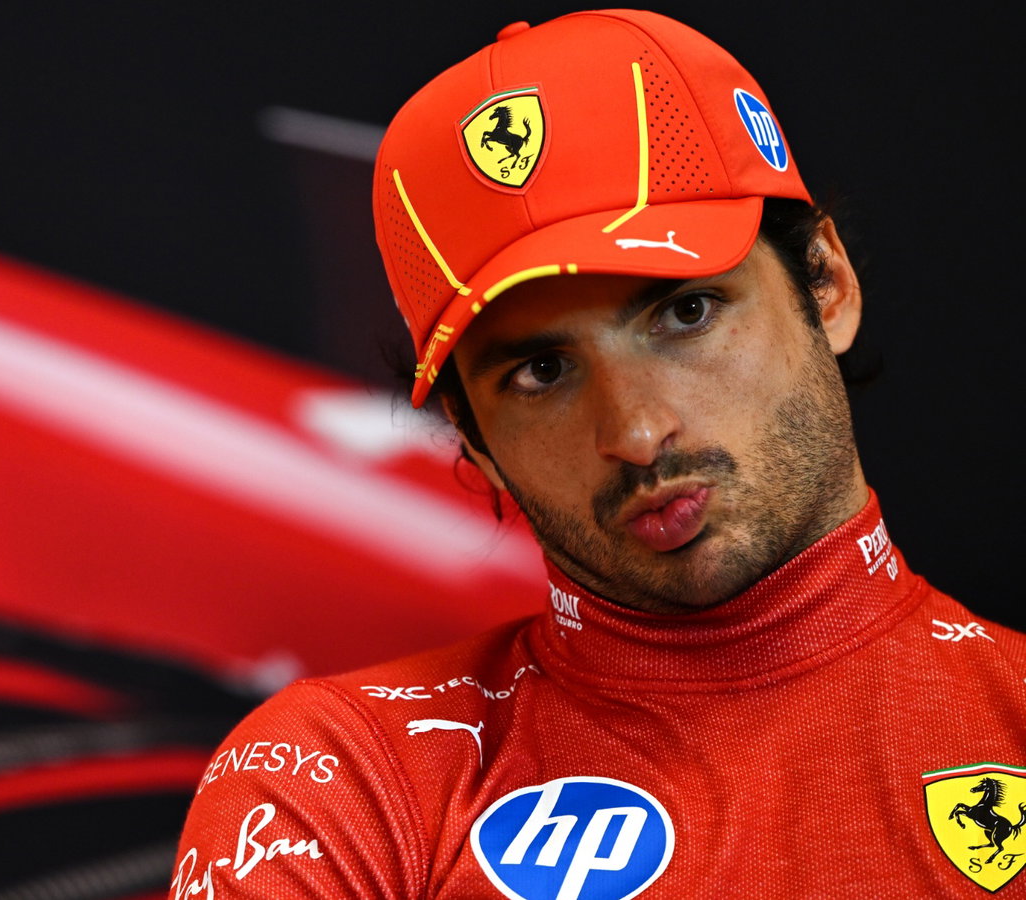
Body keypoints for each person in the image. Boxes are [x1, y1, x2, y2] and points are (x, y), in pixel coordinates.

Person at [170, 10, 1026, 898]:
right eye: (542, 371)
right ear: (475, 442)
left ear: (827, 286)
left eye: (684, 313)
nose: (637, 434)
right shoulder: (341, 782)